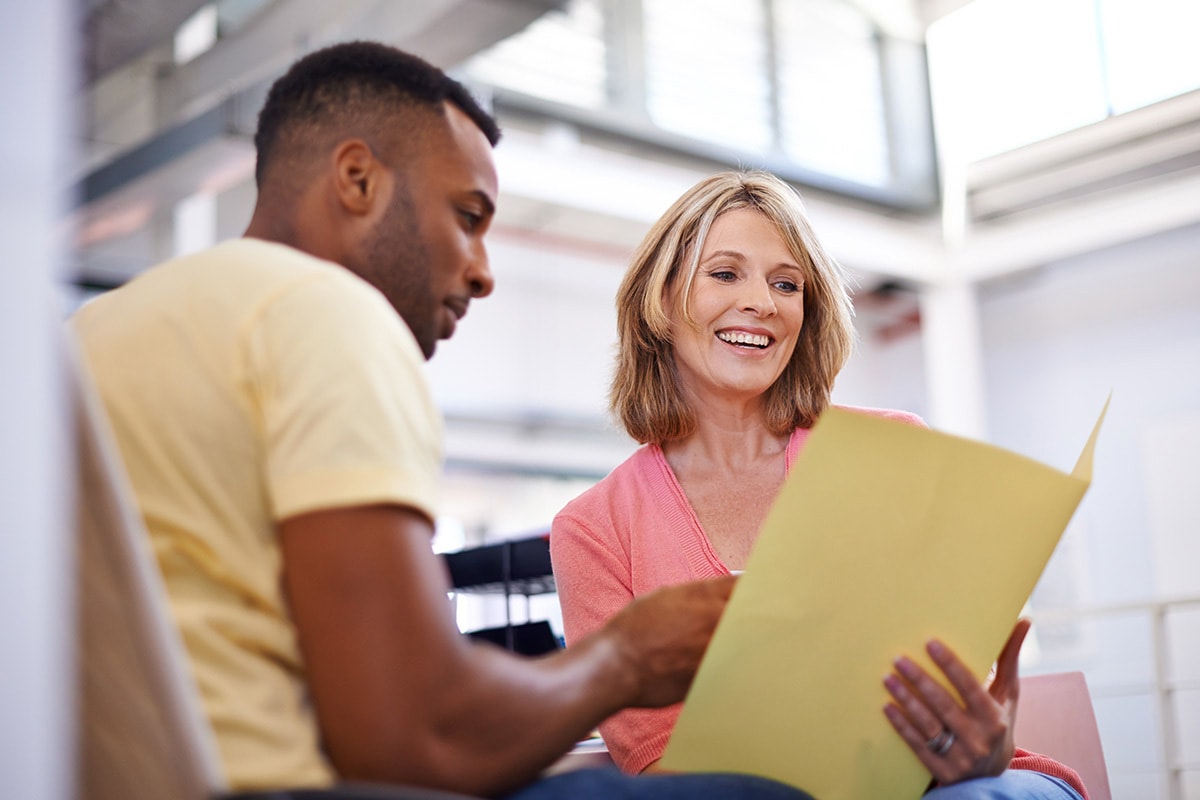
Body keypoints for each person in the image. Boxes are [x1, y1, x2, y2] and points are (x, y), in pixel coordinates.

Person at [70, 43, 812, 800]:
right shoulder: (323, 313)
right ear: (357, 180)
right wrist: (623, 659)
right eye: (467, 217)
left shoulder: (94, 331)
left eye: (787, 283)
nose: (484, 270)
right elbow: (417, 736)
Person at [550, 170, 1091, 800]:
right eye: (725, 273)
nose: (763, 302)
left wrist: (985, 745)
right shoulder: (593, 530)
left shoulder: (892, 449)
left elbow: (974, 653)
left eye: (787, 284)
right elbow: (660, 766)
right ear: (661, 299)